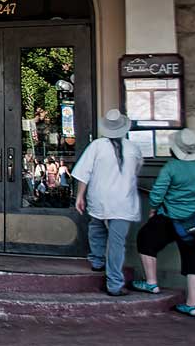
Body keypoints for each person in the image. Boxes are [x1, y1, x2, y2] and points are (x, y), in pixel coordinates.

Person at [133, 129, 195, 318]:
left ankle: (151, 282)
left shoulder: (171, 167)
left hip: (171, 218)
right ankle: (192, 305)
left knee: (145, 240)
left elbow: (157, 194)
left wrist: (154, 208)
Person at [72, 109, 143, 297]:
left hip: (100, 197)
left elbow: (84, 172)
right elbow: (136, 170)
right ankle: (114, 283)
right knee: (117, 243)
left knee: (96, 227)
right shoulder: (133, 148)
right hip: (123, 201)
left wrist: (80, 195)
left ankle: (97, 260)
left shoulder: (97, 146)